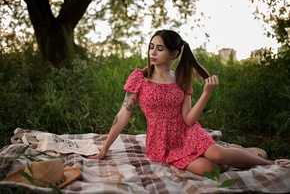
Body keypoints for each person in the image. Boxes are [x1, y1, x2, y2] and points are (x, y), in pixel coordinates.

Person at [89, 29, 289, 176]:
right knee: (211, 170)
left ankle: (271, 162)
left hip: (187, 132)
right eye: (151, 47)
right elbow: (123, 115)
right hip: (162, 142)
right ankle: (241, 152)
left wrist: (206, 94)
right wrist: (105, 148)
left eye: (160, 49)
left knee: (218, 155)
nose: (153, 53)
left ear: (174, 54)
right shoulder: (139, 78)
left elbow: (188, 119)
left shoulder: (182, 79)